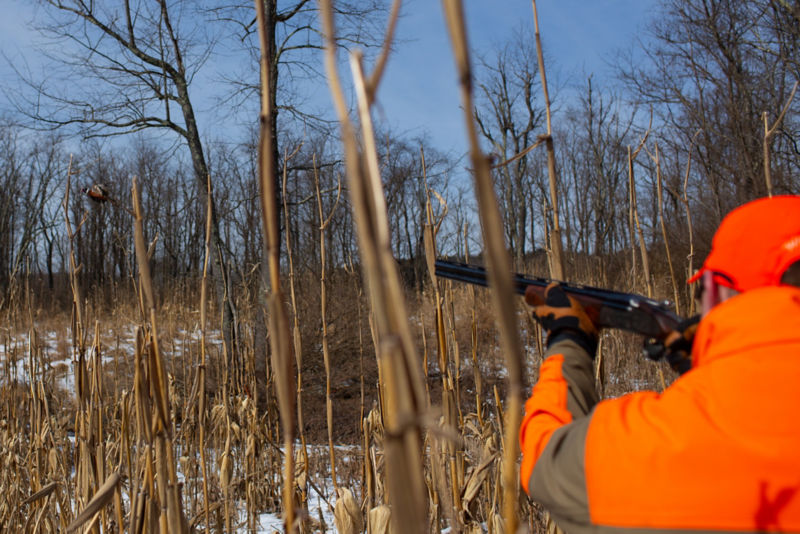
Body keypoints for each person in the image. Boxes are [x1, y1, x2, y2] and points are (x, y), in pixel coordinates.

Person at [519, 195, 800, 533]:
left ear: (716, 291)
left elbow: (546, 457)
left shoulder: (658, 438)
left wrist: (569, 339)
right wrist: (711, 361)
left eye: (701, 294)